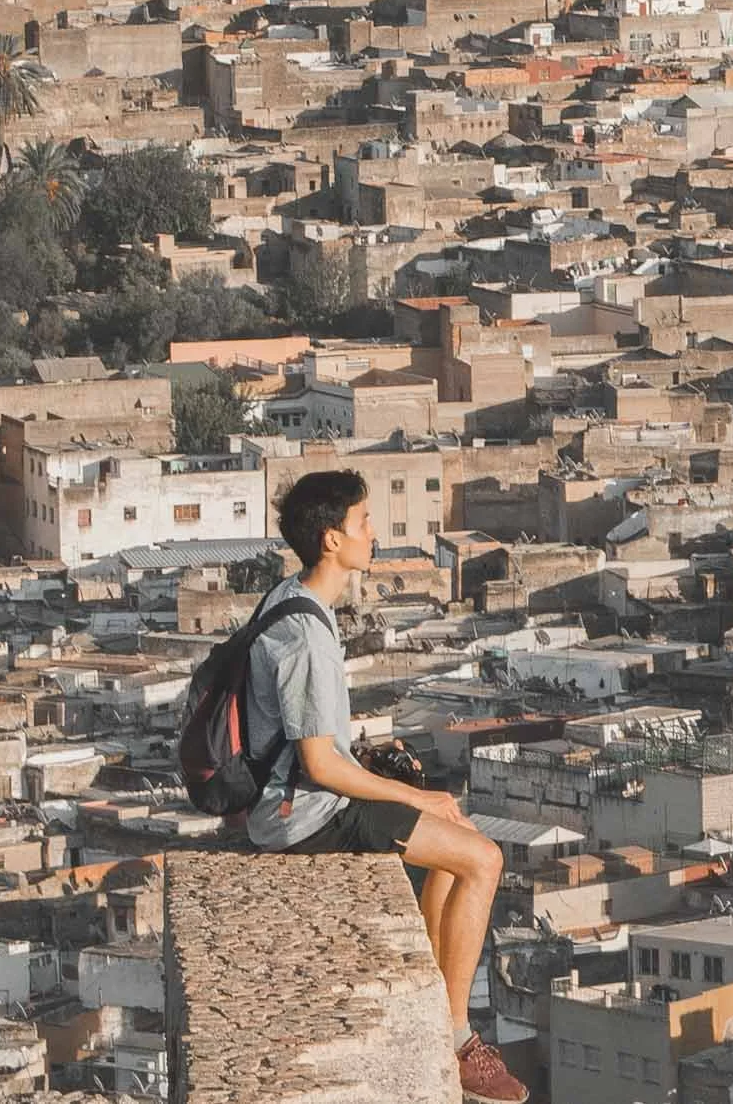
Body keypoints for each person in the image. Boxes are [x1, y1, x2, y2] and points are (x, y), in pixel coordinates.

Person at [247, 470, 527, 1104]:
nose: (373, 534)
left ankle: (434, 1003)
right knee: (484, 859)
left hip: (305, 799)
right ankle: (456, 1040)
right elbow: (319, 764)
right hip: (307, 817)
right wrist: (410, 795)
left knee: (456, 844)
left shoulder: (292, 600)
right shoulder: (305, 636)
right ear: (330, 539)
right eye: (363, 522)